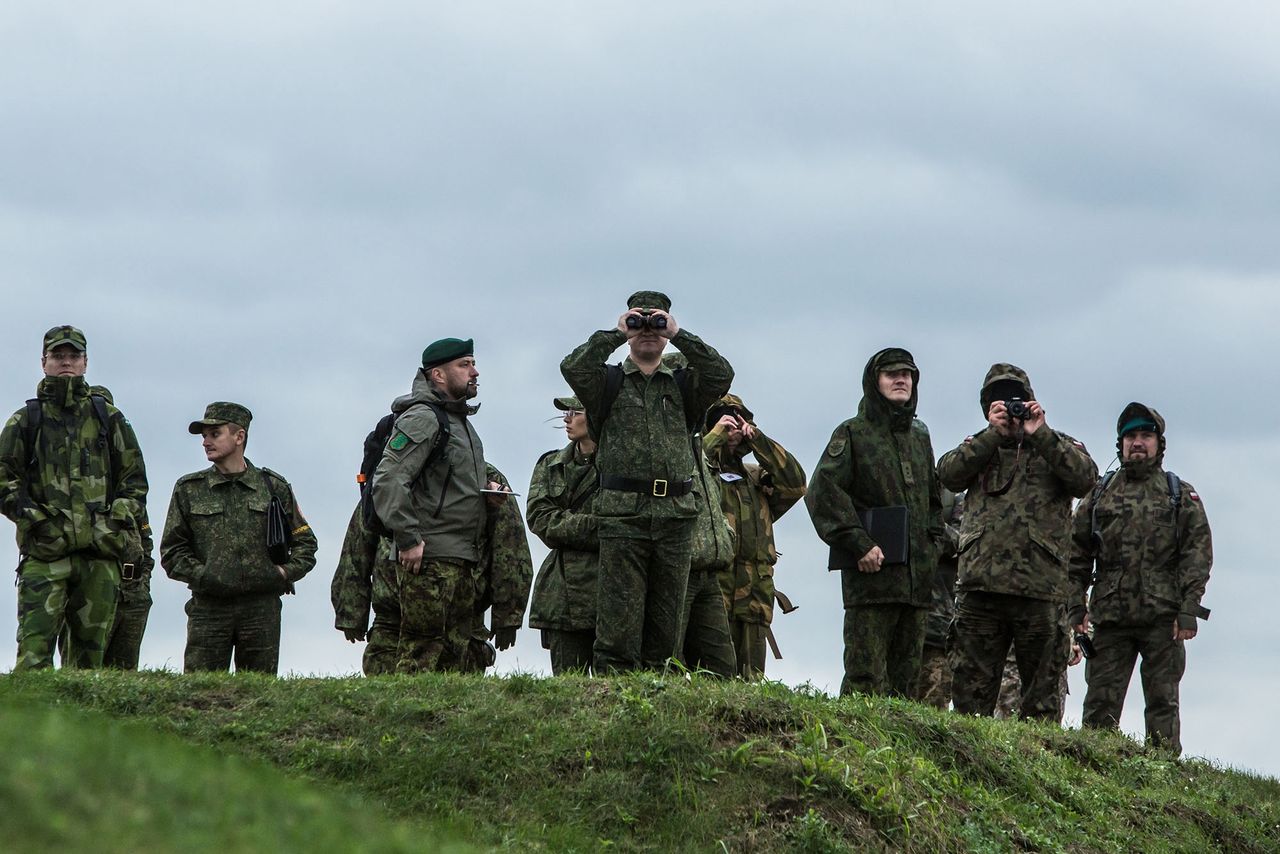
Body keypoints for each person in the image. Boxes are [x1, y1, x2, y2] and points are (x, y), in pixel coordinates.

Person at [561, 291, 734, 673]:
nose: (648, 332)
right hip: (623, 517)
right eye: (640, 324)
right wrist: (616, 332)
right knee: (618, 626)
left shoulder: (684, 384)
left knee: (666, 626)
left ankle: (659, 696)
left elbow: (722, 374)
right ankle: (616, 700)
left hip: (675, 517)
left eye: (656, 323)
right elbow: (573, 366)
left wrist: (679, 334)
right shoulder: (607, 382)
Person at [937, 363, 1097, 721]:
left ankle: (1039, 771)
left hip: (1039, 591)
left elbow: (1086, 480)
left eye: (1015, 398)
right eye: (998, 400)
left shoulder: (1056, 445)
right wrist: (992, 434)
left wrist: (1040, 433)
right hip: (981, 590)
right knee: (970, 703)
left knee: (1041, 703)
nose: (1008, 406)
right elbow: (947, 473)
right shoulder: (979, 445)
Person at [0, 325, 148, 670]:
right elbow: (5, 480)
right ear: (44, 361)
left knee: (88, 664)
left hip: (99, 555)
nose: (65, 362)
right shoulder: (26, 420)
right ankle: (31, 725)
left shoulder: (107, 418)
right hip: (45, 553)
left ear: (85, 362)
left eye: (73, 356)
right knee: (33, 657)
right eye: (58, 356)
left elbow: (135, 480)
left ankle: (81, 726)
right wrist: (39, 521)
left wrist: (111, 522)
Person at [1069, 402, 1212, 755]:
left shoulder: (1179, 494)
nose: (1137, 442)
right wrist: (1075, 606)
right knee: (1099, 705)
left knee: (1163, 703)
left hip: (1162, 618)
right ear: (1119, 444)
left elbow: (1197, 554)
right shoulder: (1099, 494)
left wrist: (1188, 609)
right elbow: (1075, 554)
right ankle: (1094, 773)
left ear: (1159, 443)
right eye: (1130, 436)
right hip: (1110, 615)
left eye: (1146, 435)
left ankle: (1162, 776)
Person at [372, 337, 514, 673]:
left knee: (454, 661)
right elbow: (389, 479)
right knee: (421, 657)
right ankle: (408, 723)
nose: (475, 372)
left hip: (460, 559)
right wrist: (407, 538)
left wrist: (487, 495)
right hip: (430, 561)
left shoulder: (459, 422)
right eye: (464, 365)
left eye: (473, 363)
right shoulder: (423, 418)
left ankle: (443, 725)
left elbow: (444, 486)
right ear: (437, 375)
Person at [806, 348, 942, 697]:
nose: (901, 380)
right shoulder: (853, 433)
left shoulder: (920, 435)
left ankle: (896, 753)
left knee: (907, 686)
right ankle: (853, 750)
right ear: (874, 382)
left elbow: (933, 503)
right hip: (871, 581)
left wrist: (933, 547)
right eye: (891, 374)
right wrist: (858, 543)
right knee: (864, 680)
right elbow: (822, 492)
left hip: (916, 586)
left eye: (907, 374)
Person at [160, 402, 317, 673]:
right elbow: (172, 551)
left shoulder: (272, 487)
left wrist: (282, 573)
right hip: (209, 610)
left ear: (239, 436)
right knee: (201, 693)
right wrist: (205, 575)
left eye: (215, 433)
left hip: (261, 610)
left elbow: (305, 543)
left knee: (259, 695)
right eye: (204, 436)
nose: (206, 442)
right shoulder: (189, 489)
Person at [702, 392, 807, 680]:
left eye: (738, 420)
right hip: (711, 599)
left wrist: (758, 439)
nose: (731, 427)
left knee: (749, 688)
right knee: (707, 681)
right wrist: (713, 437)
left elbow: (797, 483)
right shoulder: (701, 474)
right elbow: (688, 470)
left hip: (754, 602)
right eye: (723, 419)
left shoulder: (756, 479)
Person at [526, 397, 600, 674]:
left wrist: (567, 525)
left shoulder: (624, 464)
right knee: (570, 688)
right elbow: (540, 519)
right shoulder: (551, 464)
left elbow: (628, 522)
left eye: (575, 411)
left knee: (619, 688)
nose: (567, 419)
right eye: (566, 412)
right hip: (563, 595)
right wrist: (596, 527)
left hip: (613, 587)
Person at [915, 489, 962, 709]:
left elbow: (963, 543)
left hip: (937, 627)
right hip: (899, 618)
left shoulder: (954, 500)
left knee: (932, 709)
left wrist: (922, 521)